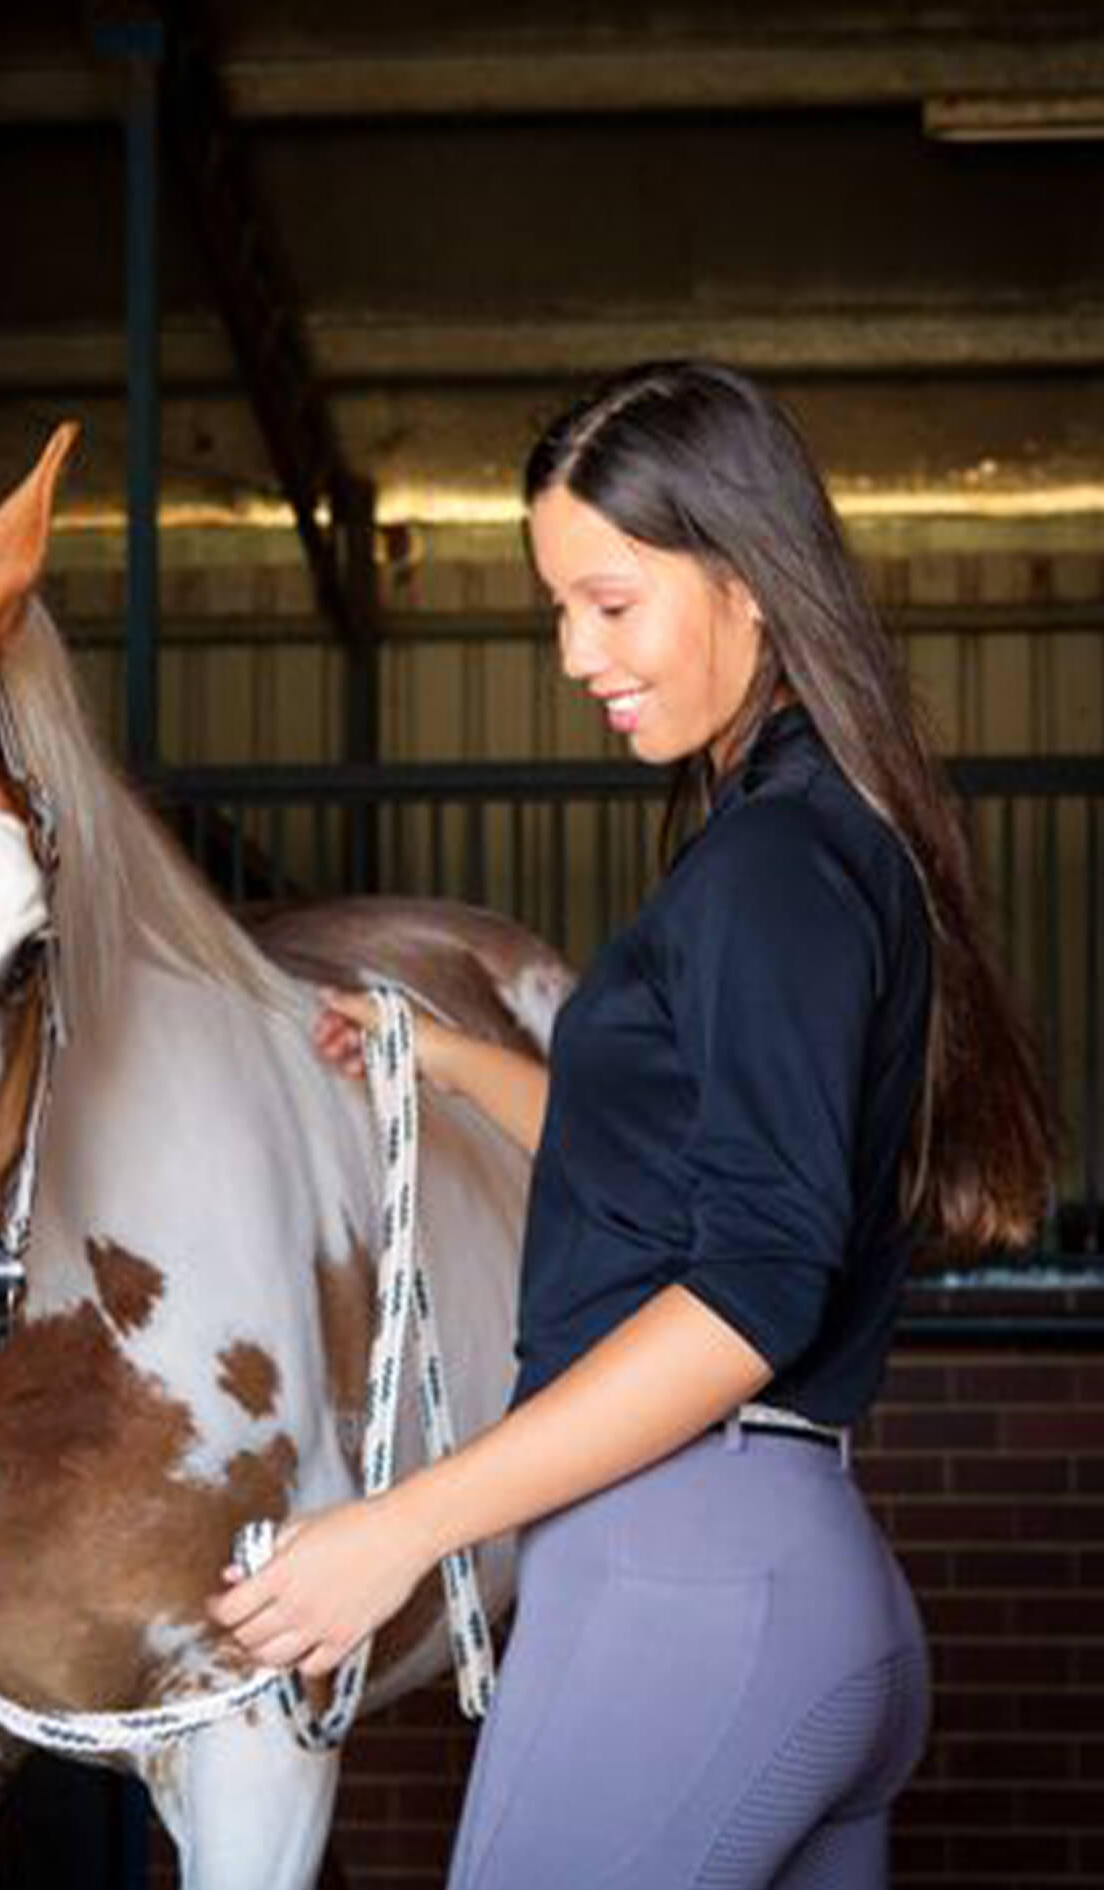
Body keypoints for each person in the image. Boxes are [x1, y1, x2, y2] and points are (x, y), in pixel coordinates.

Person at [207, 360, 1051, 1888]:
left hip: (686, 1576)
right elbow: (662, 1169)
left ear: (741, 580)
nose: (573, 652)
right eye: (556, 610)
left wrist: (403, 1525)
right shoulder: (801, 838)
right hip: (773, 1565)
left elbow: (747, 1286)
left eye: (609, 601)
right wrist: (451, 1063)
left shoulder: (769, 871)